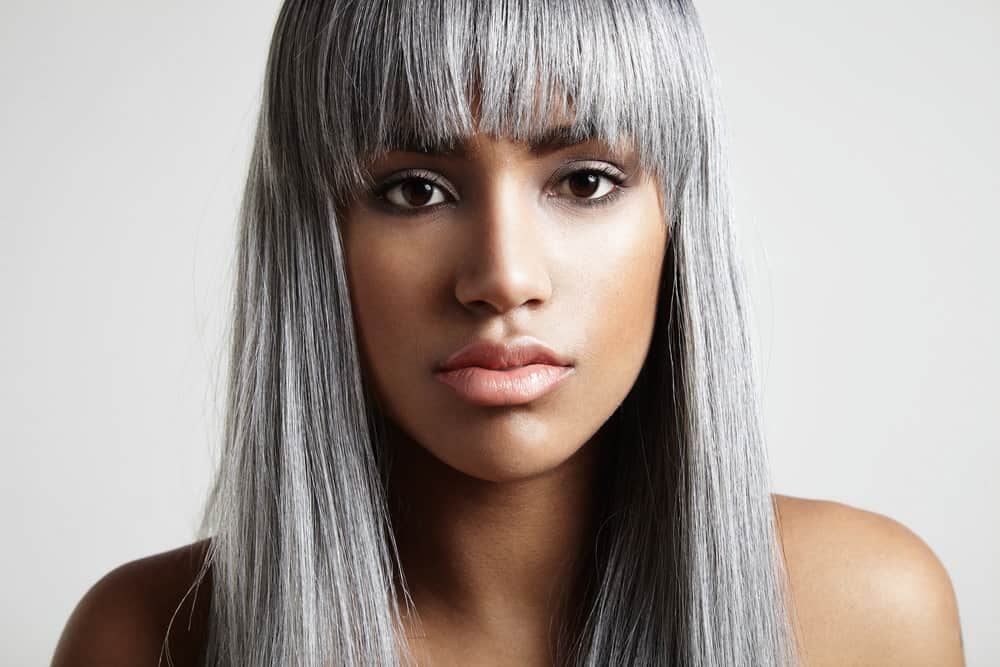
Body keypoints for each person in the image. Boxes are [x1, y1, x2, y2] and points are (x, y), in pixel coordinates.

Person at [52, 1, 965, 665]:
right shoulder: (145, 640)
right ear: (315, 237)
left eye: (585, 181)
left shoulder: (867, 616)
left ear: (676, 221)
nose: (504, 279)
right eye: (414, 189)